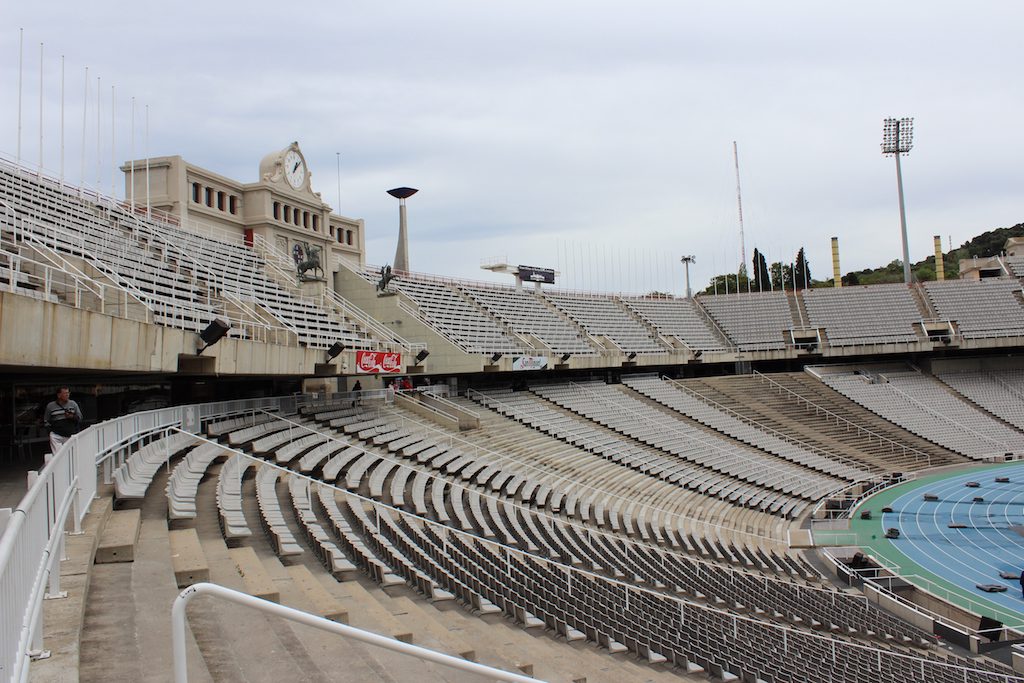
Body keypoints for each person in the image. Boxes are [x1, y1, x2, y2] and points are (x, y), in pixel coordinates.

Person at [44, 386, 83, 454]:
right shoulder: (50, 406)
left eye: (68, 393)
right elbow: (46, 420)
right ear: (59, 395)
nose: (67, 395)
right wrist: (50, 431)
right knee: (58, 455)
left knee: (71, 454)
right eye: (65, 393)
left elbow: (80, 418)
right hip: (56, 435)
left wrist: (72, 416)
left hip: (70, 434)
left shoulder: (73, 404)